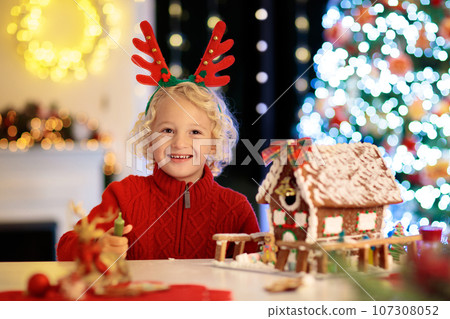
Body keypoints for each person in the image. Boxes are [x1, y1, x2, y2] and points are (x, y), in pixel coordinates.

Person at [56, 20, 260, 261]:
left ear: (214, 143)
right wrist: (97, 246)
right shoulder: (123, 196)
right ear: (149, 138)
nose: (179, 143)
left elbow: (257, 272)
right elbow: (65, 248)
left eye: (195, 132)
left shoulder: (235, 208)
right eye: (167, 130)